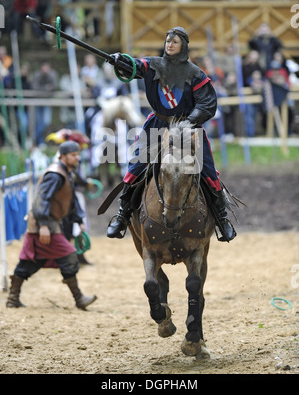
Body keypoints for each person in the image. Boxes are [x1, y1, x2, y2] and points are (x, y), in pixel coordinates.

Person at [106, 26, 236, 242]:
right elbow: (135, 66)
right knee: (136, 167)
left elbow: (207, 103)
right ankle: (123, 215)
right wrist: (121, 60)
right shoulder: (153, 65)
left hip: (188, 127)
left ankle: (222, 219)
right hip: (158, 123)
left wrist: (189, 122)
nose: (170, 45)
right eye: (168, 41)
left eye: (174, 42)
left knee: (209, 172)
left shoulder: (195, 74)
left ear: (183, 45)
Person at [6, 140, 97, 310]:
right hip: (43, 224)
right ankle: (79, 299)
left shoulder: (67, 172)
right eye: (73, 155)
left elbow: (70, 201)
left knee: (34, 261)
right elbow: (41, 200)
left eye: (78, 154)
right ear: (63, 156)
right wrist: (43, 225)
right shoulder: (55, 174)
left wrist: (78, 221)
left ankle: (12, 298)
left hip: (49, 223)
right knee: (69, 255)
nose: (77, 158)